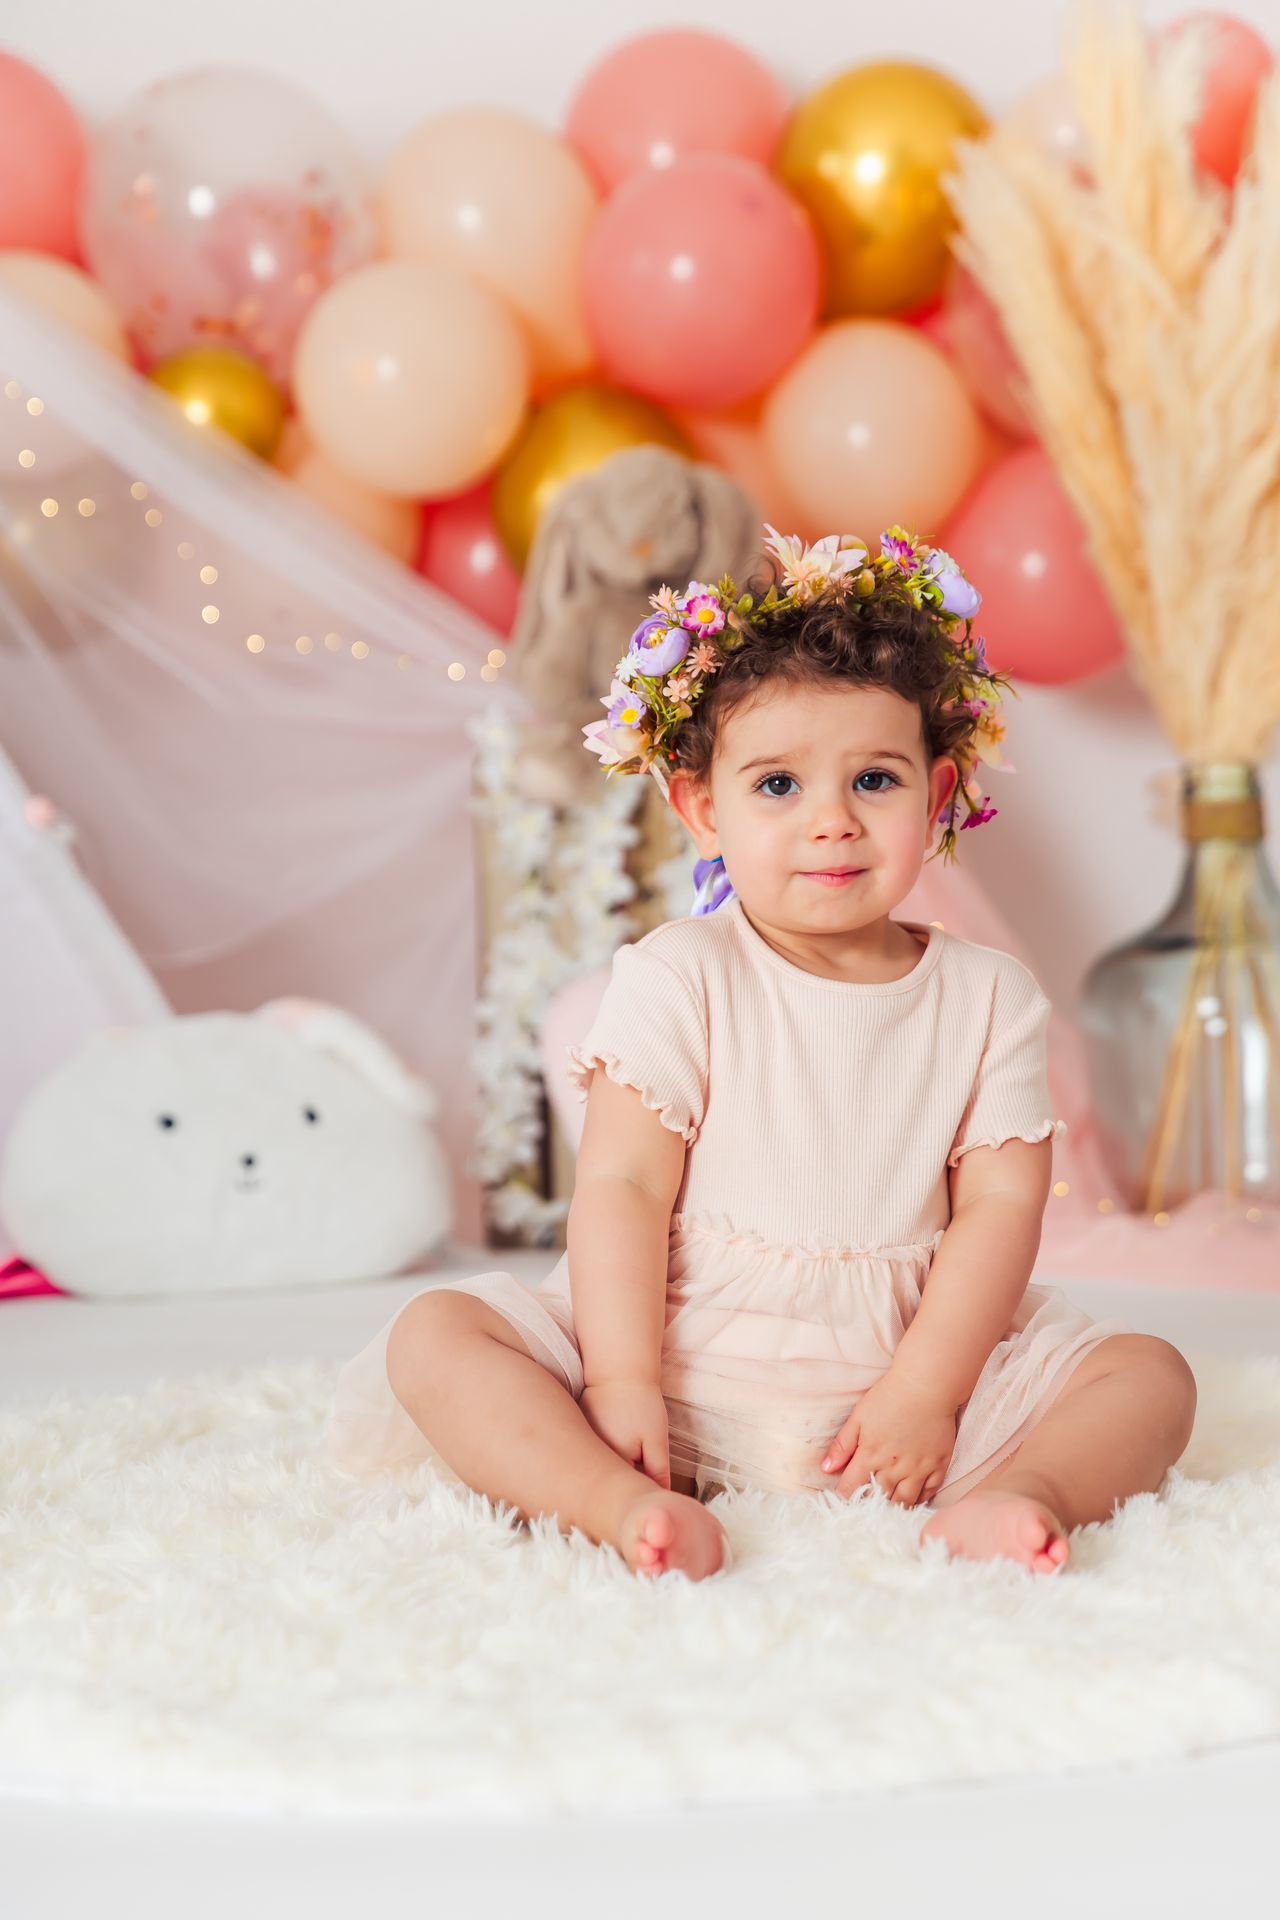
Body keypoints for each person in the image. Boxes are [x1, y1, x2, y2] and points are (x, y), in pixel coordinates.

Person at [327, 523, 1197, 1583]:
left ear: (935, 798)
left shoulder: (986, 996)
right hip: (680, 1363)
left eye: (872, 782)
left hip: (907, 1374)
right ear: (702, 808)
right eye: (778, 786)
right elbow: (622, 1189)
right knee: (437, 1335)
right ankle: (610, 1499)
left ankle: (1019, 1494)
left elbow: (1000, 1211)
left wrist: (923, 1394)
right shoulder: (678, 973)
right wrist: (620, 1384)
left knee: (1147, 1375)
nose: (829, 822)